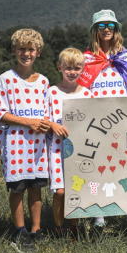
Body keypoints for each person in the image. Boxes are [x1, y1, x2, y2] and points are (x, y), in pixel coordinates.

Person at [76, 9, 127, 232]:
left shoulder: (125, 57)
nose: (106, 29)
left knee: (126, 168)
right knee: (98, 169)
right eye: (102, 26)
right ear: (95, 30)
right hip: (95, 125)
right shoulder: (85, 59)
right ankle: (99, 215)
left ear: (117, 30)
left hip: (122, 123)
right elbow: (78, 92)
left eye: (111, 26)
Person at [0, 29, 51, 251]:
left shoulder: (44, 82)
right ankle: (19, 232)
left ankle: (36, 230)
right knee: (17, 189)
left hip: (37, 146)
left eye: (31, 49)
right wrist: (28, 122)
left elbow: (47, 112)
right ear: (13, 50)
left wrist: (44, 122)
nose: (26, 53)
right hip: (15, 144)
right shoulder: (6, 79)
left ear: (38, 52)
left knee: (36, 189)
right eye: (22, 49)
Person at [46, 48, 92, 239]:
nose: (72, 72)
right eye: (68, 68)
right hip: (56, 149)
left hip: (80, 150)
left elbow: (93, 121)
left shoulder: (88, 94)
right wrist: (52, 125)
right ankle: (58, 229)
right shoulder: (51, 92)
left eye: (77, 68)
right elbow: (44, 119)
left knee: (76, 188)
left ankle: (73, 227)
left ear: (83, 69)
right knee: (60, 191)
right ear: (60, 67)